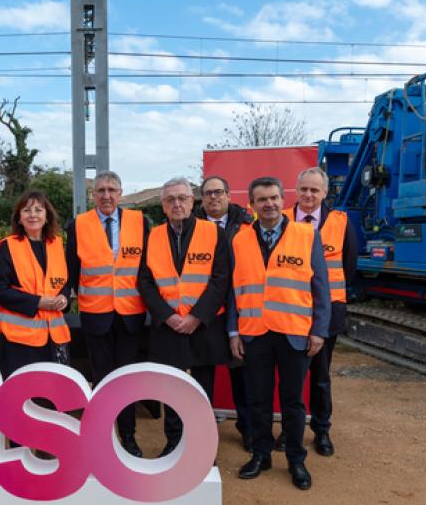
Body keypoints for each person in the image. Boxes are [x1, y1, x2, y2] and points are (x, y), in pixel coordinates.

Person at [229, 176, 330, 490]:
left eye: (273, 197)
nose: (269, 204)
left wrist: (319, 331)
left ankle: (296, 459)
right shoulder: (239, 240)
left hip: (294, 334)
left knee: (293, 402)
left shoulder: (307, 235)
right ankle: (261, 455)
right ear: (252, 204)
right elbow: (233, 291)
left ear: (282, 199)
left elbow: (321, 288)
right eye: (261, 199)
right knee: (258, 400)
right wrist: (233, 331)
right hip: (254, 333)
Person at [138, 177, 231, 457]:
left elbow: (221, 280)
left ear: (193, 202)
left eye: (182, 198)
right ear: (163, 206)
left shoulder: (214, 233)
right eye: (170, 200)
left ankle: (202, 447)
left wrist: (196, 317)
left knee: (202, 391)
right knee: (172, 390)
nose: (176, 203)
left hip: (203, 326)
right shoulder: (153, 236)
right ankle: (174, 443)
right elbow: (144, 282)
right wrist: (167, 316)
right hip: (168, 327)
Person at [66, 170, 148, 458]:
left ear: (121, 193)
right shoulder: (78, 225)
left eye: (112, 190)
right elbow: (71, 269)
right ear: (93, 195)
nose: (106, 195)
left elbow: (147, 268)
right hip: (96, 314)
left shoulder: (140, 222)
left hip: (130, 314)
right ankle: (103, 437)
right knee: (101, 378)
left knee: (126, 379)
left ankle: (129, 436)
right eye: (100, 190)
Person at [276, 166, 357, 457]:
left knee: (321, 376)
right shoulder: (281, 219)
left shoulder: (340, 222)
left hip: (328, 311)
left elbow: (349, 266)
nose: (308, 195)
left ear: (325, 193)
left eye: (314, 190)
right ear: (296, 191)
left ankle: (321, 430)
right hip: (290, 309)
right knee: (291, 378)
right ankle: (290, 430)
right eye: (304, 189)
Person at [198, 175, 254, 452]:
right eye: (208, 193)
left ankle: (248, 429)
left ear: (229, 195)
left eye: (218, 192)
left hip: (238, 310)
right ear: (201, 199)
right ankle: (202, 434)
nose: (213, 197)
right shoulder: (191, 225)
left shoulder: (247, 224)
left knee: (241, 375)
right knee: (202, 376)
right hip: (204, 312)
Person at [0, 190, 71, 379]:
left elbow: (64, 283)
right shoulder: (7, 247)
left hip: (55, 337)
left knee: (54, 390)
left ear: (47, 216)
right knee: (22, 391)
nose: (33, 215)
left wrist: (64, 298)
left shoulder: (57, 245)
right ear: (19, 218)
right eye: (27, 210)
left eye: (38, 210)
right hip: (20, 341)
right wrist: (37, 302)